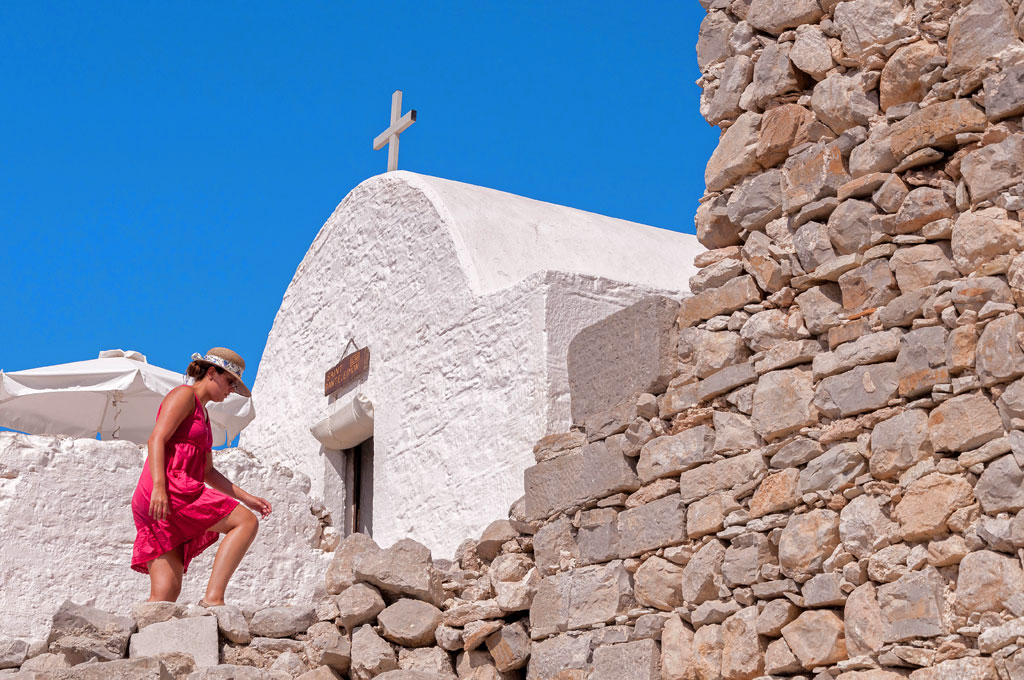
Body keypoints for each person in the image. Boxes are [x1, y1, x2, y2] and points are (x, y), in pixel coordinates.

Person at [130, 347, 271, 606]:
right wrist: (160, 487)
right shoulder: (184, 395)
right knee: (246, 523)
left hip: (169, 491)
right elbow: (156, 439)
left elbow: (207, 471)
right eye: (230, 382)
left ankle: (143, 641)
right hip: (169, 487)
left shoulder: (204, 416)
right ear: (211, 373)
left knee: (166, 592)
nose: (231, 390)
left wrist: (247, 497)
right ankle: (213, 600)